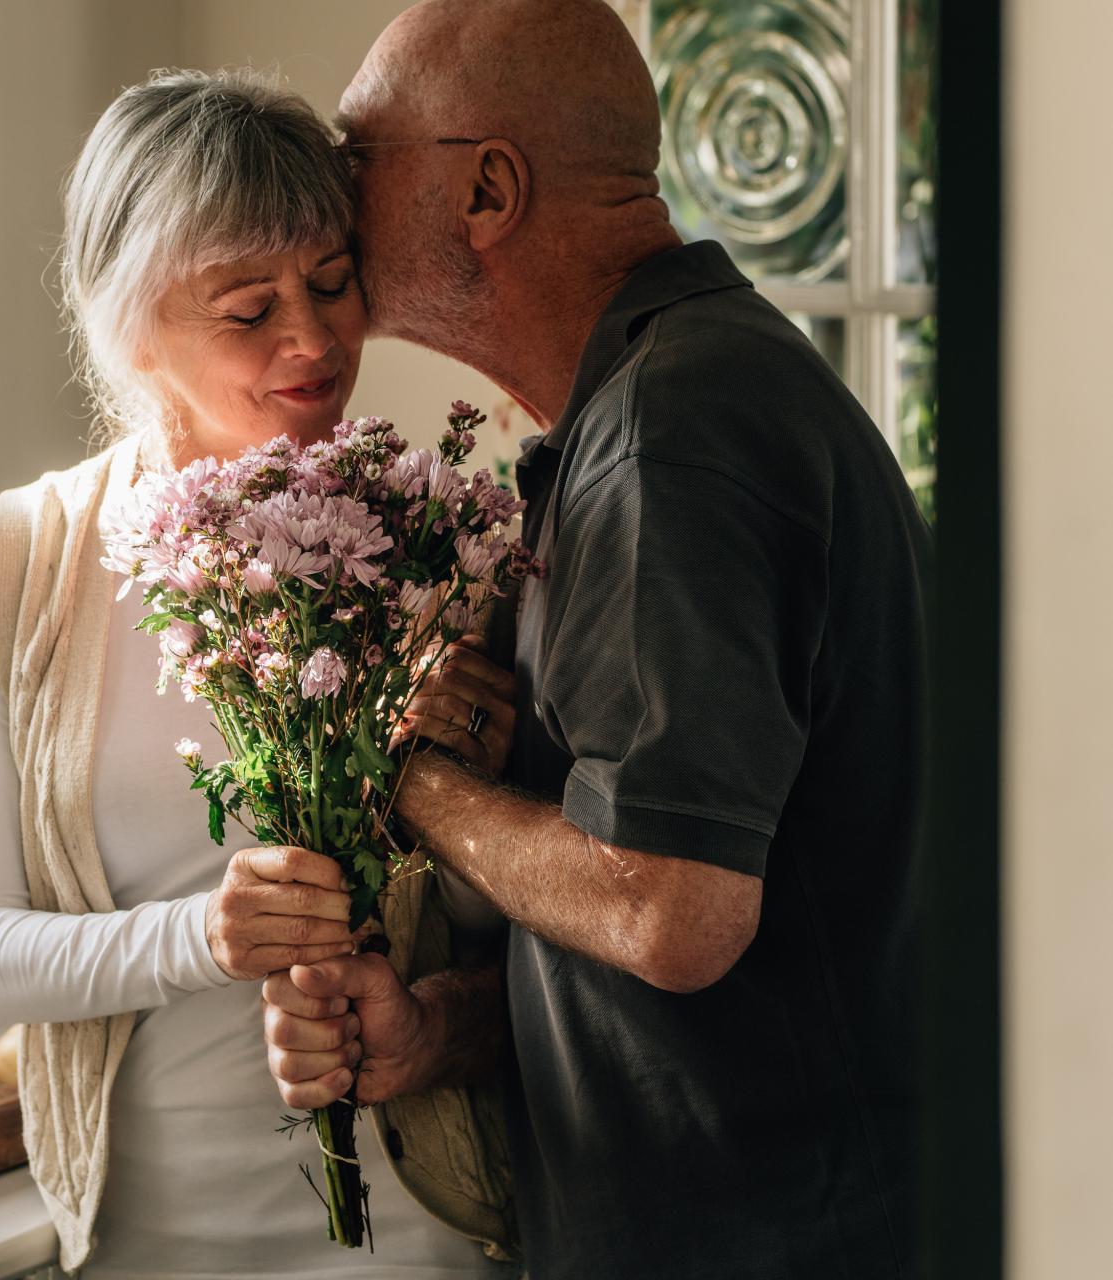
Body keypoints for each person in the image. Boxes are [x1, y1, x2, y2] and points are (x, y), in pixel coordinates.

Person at [261, 2, 930, 1277]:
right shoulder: (659, 405)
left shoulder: (670, 436)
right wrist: (435, 1032)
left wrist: (406, 777)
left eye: (359, 156)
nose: (331, 195)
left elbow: (671, 912)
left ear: (486, 187)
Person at [0, 68, 515, 1278]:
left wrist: (468, 787)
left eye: (334, 282)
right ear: (129, 327)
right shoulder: (22, 563)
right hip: (149, 1238)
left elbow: (535, 954)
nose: (313, 338)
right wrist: (207, 933)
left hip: (424, 1233)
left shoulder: (440, 552)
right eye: (248, 308)